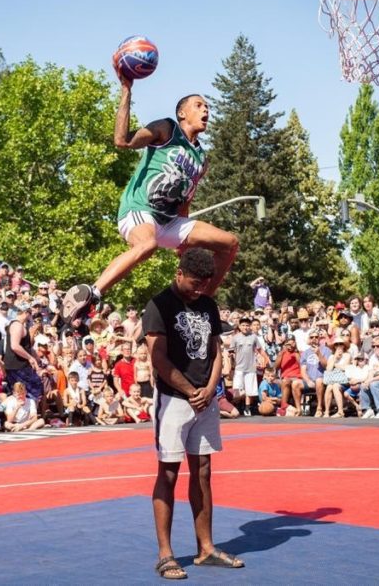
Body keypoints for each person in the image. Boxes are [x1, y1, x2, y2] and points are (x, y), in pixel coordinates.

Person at [60, 76, 239, 322]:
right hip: (140, 209)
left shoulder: (201, 159)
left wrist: (182, 241)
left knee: (229, 243)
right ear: (182, 113)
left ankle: (200, 306)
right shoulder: (167, 129)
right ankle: (93, 292)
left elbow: (186, 199)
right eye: (198, 105)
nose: (205, 109)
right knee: (148, 244)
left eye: (207, 106)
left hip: (169, 221)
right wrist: (126, 90)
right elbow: (122, 141)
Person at [143, 248, 243, 579]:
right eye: (195, 283)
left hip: (205, 399)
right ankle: (166, 553)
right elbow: (158, 358)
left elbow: (216, 352)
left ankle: (206, 549)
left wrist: (210, 389)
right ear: (179, 274)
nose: (200, 289)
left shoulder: (208, 305)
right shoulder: (160, 305)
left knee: (203, 471)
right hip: (173, 400)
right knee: (168, 473)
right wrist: (189, 391)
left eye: (205, 284)